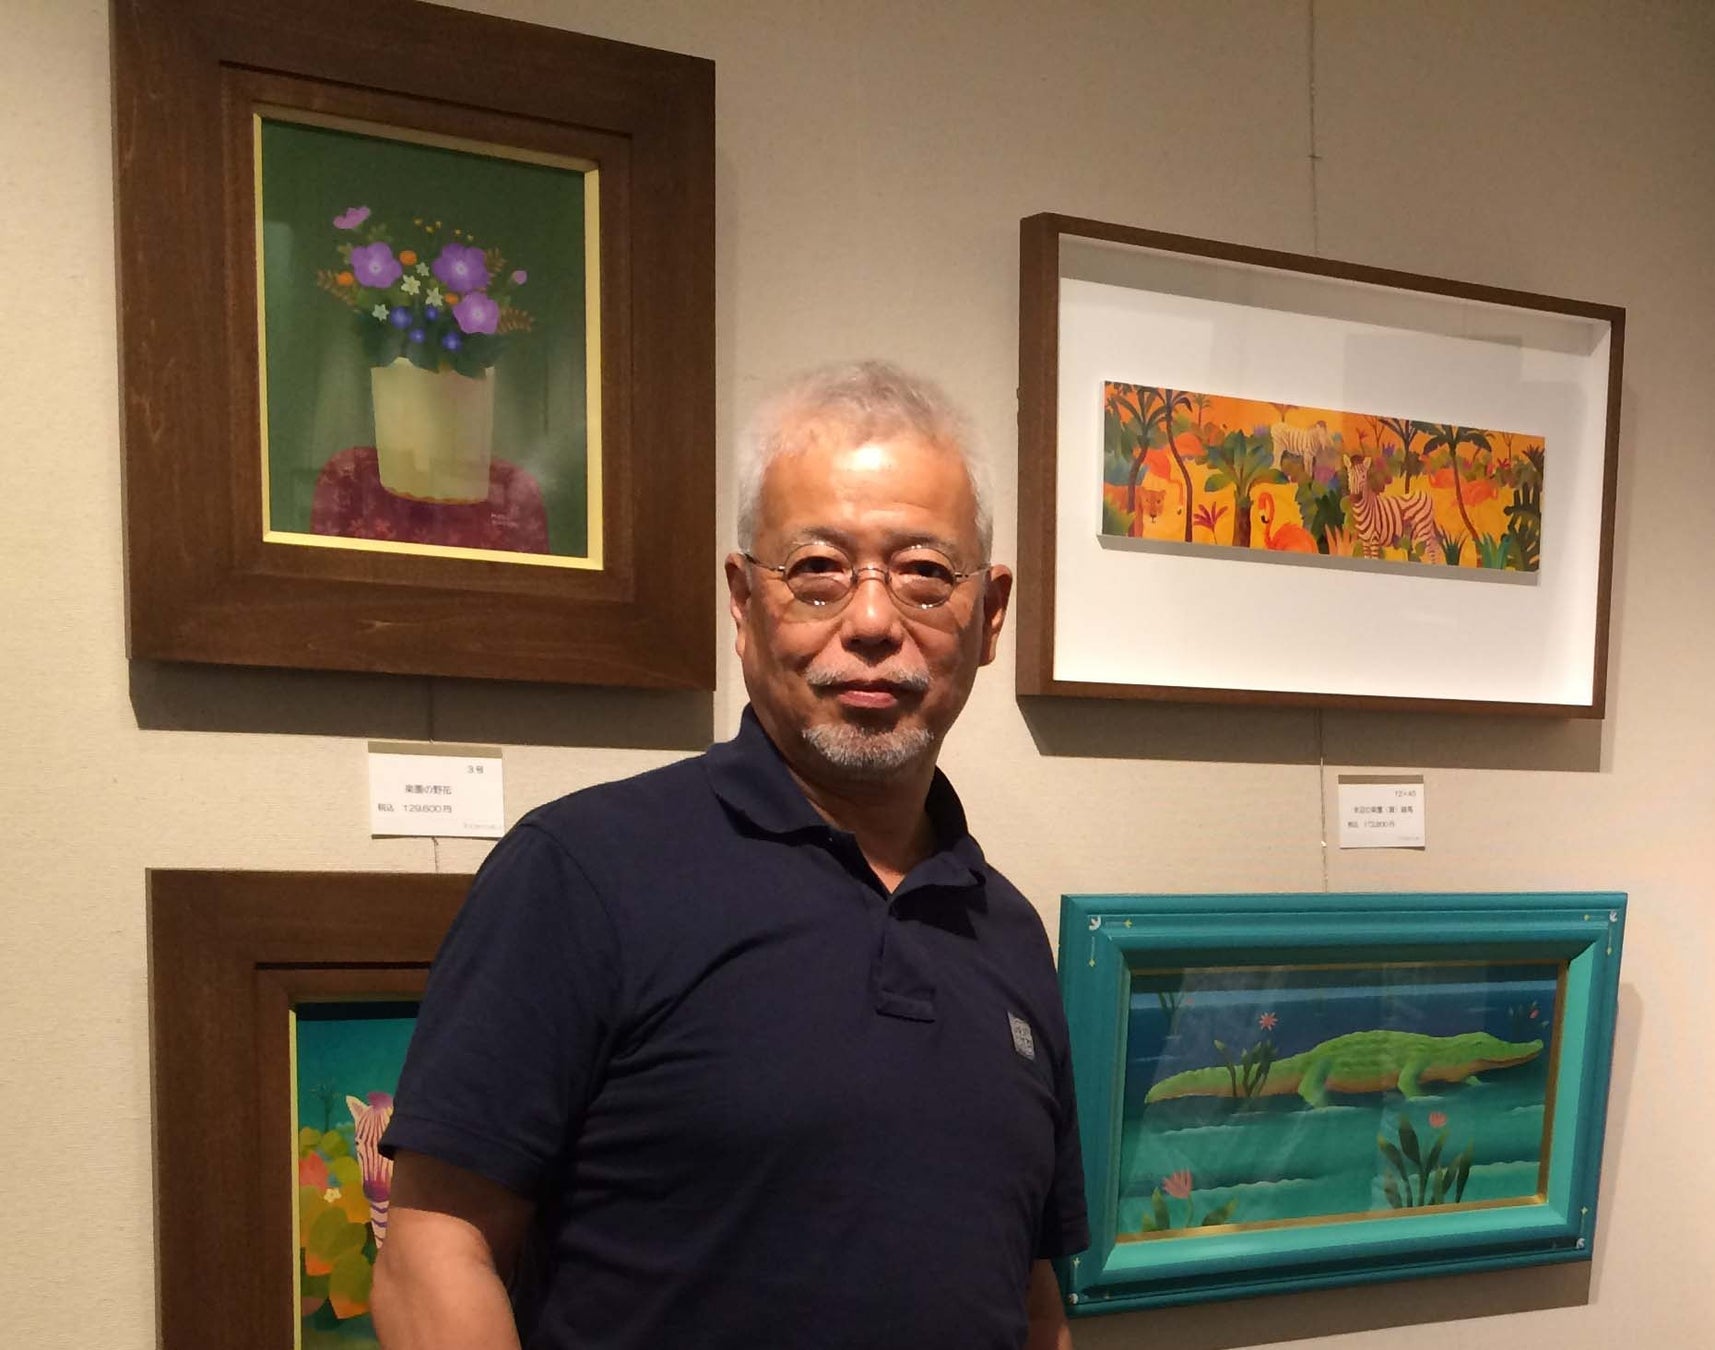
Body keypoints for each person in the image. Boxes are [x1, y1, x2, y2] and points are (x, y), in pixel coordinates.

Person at [373, 361, 1088, 1349]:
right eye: (817, 569)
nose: (872, 621)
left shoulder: (1004, 932)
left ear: (990, 614)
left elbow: (1029, 1296)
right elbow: (431, 1258)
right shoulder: (583, 873)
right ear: (743, 601)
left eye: (924, 572)